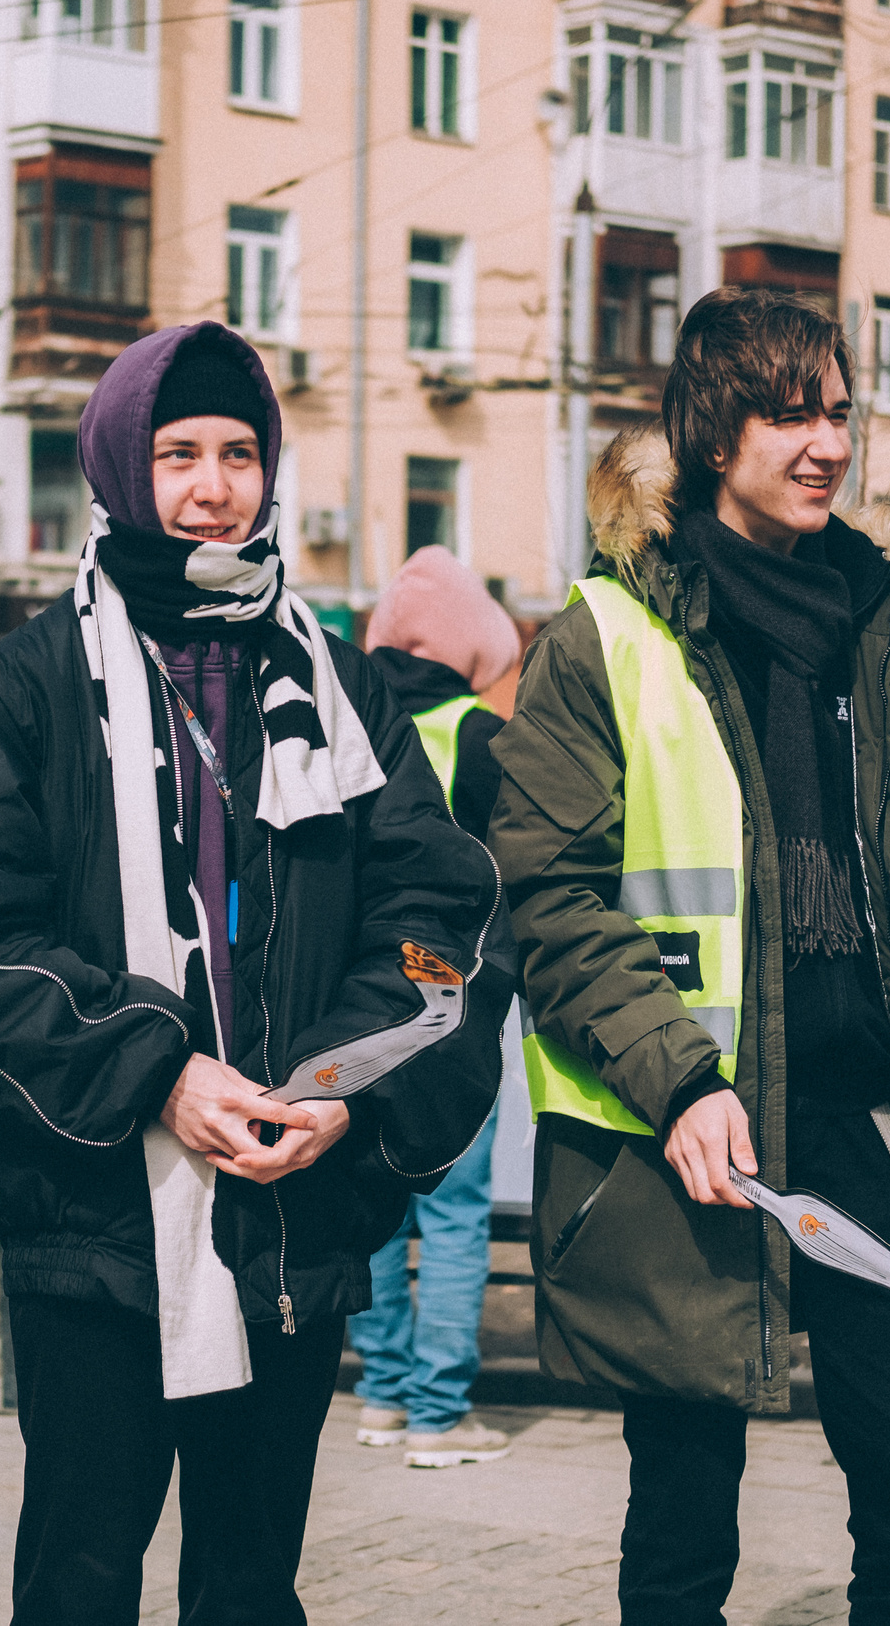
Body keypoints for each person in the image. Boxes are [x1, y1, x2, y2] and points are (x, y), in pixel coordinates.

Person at [0, 321, 504, 1625]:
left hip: (286, 1220)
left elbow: (434, 917)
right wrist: (158, 1070)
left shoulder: (339, 687)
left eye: (238, 451)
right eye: (179, 452)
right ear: (121, 466)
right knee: (78, 1580)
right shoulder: (28, 688)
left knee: (247, 1588)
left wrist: (342, 1085)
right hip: (92, 1229)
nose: (213, 484)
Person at [492, 287, 890, 1625]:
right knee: (684, 1493)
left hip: (868, 1115)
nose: (825, 439)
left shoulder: (889, 627)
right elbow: (544, 891)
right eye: (790, 411)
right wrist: (680, 1075)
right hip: (698, 1117)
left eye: (839, 407)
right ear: (715, 434)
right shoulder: (610, 633)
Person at [350, 544, 522, 1467]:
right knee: (453, 1208)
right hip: (452, 1010)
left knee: (373, 1194)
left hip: (356, 1009)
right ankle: (438, 1411)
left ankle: (378, 1392)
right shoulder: (479, 739)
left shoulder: (349, 724)